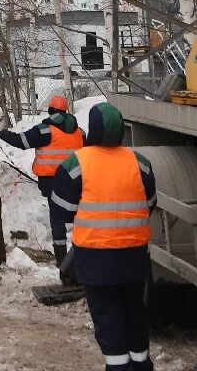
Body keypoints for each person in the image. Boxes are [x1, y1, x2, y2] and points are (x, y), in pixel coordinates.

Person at [53, 102, 156, 371]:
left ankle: (118, 367)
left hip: (95, 258)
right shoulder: (140, 163)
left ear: (94, 130)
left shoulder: (77, 163)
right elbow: (150, 203)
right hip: (135, 256)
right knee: (136, 312)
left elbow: (62, 210)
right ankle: (141, 365)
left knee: (107, 315)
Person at [0, 93, 83, 277]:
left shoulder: (45, 130)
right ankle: (79, 260)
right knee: (79, 220)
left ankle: (63, 264)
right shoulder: (80, 132)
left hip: (53, 183)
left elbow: (20, 141)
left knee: (57, 221)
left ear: (50, 111)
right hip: (78, 181)